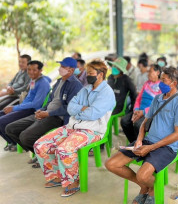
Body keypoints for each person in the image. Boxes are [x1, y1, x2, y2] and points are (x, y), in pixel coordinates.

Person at [105, 67, 178, 204]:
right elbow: (145, 122)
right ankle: (146, 187)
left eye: (163, 80)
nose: (160, 83)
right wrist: (139, 140)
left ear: (173, 83)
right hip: (148, 141)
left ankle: (152, 189)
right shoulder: (157, 98)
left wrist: (150, 148)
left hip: (167, 147)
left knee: (142, 175)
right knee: (111, 164)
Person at [33, 59, 116, 197]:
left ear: (100, 74)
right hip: (72, 126)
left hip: (92, 130)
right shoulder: (86, 89)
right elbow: (71, 107)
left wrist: (80, 109)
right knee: (41, 145)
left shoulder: (106, 93)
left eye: (90, 73)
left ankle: (73, 181)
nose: (87, 75)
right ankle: (57, 176)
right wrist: (82, 108)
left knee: (64, 150)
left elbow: (93, 114)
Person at [5, 57, 83, 161]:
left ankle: (46, 158)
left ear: (71, 70)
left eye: (63, 67)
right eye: (60, 66)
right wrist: (42, 110)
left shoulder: (75, 85)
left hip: (57, 118)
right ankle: (40, 155)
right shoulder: (59, 81)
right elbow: (50, 101)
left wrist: (48, 114)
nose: (60, 69)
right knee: (10, 129)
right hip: (46, 114)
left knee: (25, 136)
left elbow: (70, 108)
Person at [0, 60, 51, 151]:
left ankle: (15, 143)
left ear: (40, 71)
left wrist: (15, 108)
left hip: (32, 110)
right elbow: (29, 97)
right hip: (25, 107)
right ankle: (12, 142)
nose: (31, 72)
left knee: (2, 121)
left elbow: (36, 103)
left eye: (34, 70)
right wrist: (18, 107)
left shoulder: (43, 83)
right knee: (1, 114)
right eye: (29, 69)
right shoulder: (33, 80)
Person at [121, 65, 161, 143]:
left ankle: (140, 145)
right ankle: (134, 142)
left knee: (138, 125)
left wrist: (143, 112)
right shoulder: (147, 83)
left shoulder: (161, 87)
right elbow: (139, 98)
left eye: (150, 71)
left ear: (157, 73)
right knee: (124, 121)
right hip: (139, 110)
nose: (148, 74)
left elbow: (158, 105)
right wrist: (136, 110)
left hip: (150, 113)